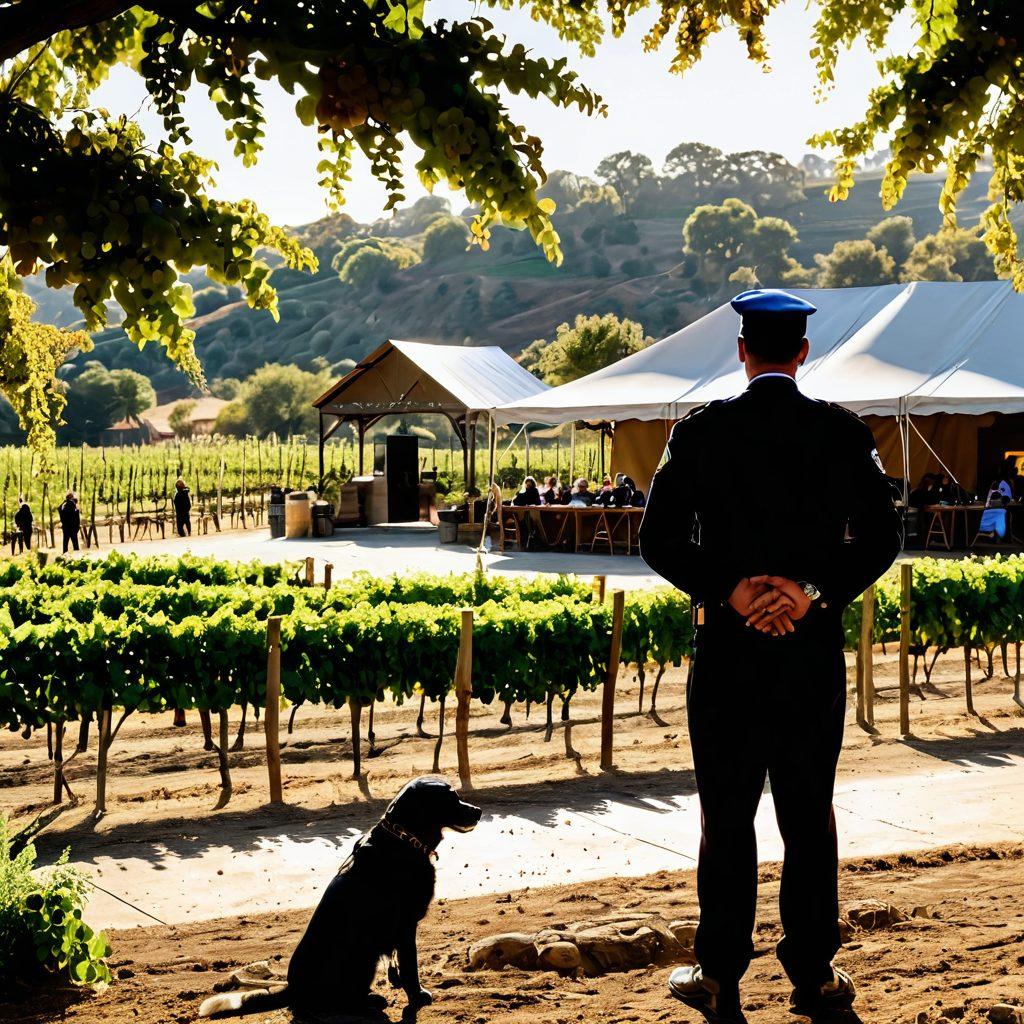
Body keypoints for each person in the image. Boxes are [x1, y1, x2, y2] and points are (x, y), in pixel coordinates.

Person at [639, 288, 902, 1024]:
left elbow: (657, 542)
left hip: (726, 655)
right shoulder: (843, 433)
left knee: (726, 818)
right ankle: (814, 974)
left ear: (743, 352)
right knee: (808, 816)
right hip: (810, 657)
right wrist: (809, 590)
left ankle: (718, 975)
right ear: (803, 354)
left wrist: (731, 591)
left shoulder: (699, 433)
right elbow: (882, 541)